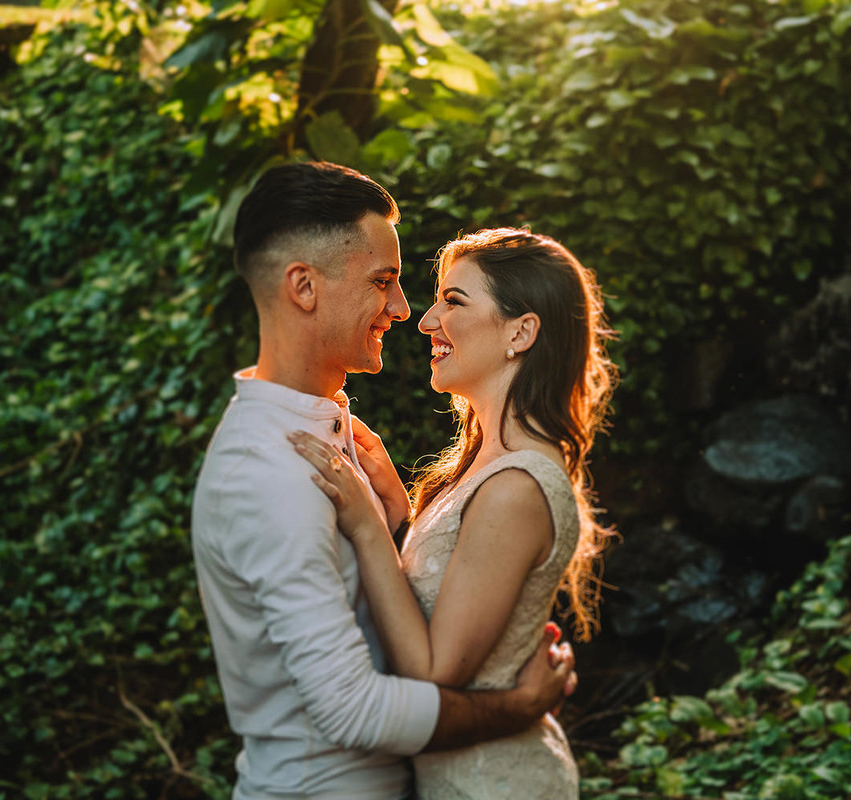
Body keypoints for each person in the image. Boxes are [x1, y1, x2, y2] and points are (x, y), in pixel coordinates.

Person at [190, 163, 577, 800]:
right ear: (304, 287)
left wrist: (397, 522)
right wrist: (518, 707)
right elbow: (352, 711)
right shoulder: (266, 471)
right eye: (384, 282)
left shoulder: (331, 436)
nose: (404, 311)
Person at [291, 227, 617, 799]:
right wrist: (396, 514)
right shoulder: (488, 465)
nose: (426, 321)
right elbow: (433, 601)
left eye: (454, 301)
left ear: (522, 331)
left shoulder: (516, 486)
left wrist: (367, 529)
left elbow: (433, 672)